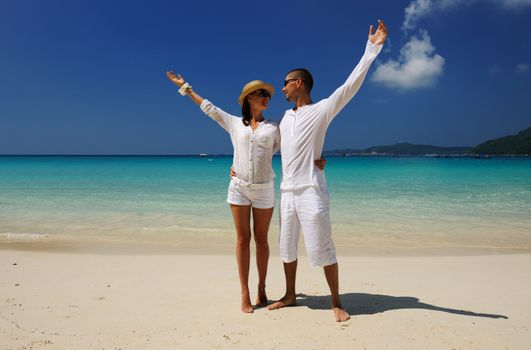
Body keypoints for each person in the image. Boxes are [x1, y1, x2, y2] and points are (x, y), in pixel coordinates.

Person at [165, 74, 326, 313]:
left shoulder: (275, 127)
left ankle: (262, 287)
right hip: (238, 188)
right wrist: (186, 88)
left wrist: (317, 158)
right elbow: (208, 108)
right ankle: (245, 292)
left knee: (261, 240)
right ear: (250, 98)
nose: (268, 98)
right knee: (242, 240)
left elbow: (298, 141)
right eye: (263, 95)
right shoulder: (233, 123)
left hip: (264, 190)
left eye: (269, 96)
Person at [267, 19, 388, 322]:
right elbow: (268, 148)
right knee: (286, 248)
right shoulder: (282, 119)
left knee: (323, 247)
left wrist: (372, 48)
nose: (281, 87)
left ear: (300, 83)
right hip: (287, 193)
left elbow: (350, 85)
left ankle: (336, 300)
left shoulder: (321, 110)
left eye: (286, 82)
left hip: (311, 191)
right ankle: (290, 294)